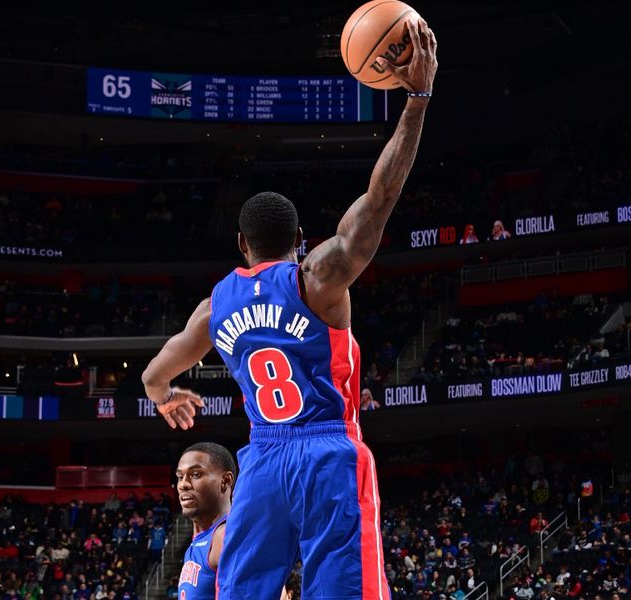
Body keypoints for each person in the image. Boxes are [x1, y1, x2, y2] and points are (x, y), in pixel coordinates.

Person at [142, 17, 437, 599]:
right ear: (300, 238)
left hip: (261, 466)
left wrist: (166, 399)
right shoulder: (316, 279)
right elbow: (379, 200)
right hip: (327, 448)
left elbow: (155, 375)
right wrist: (418, 99)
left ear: (241, 245)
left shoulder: (214, 307)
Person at [176, 442, 235, 599]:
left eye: (195, 475)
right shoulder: (199, 541)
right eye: (180, 477)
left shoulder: (225, 536)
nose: (183, 484)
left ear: (226, 481)